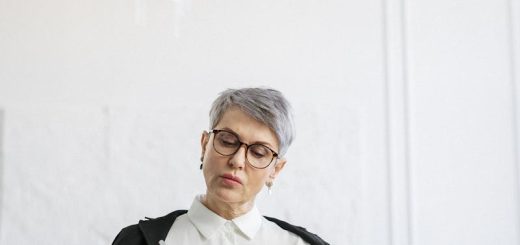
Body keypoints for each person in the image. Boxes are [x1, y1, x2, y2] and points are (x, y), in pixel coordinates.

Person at [112, 87, 329, 245]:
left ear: (275, 170)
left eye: (258, 152)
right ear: (205, 144)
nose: (237, 161)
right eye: (227, 141)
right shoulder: (137, 241)